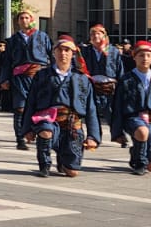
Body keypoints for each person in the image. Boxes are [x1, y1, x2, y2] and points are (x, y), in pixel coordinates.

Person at [22, 35, 100, 178]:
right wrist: (27, 129)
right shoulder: (42, 75)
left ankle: (64, 158)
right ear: (54, 52)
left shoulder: (82, 78)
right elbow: (30, 102)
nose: (63, 54)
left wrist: (93, 136)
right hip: (48, 119)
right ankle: (44, 164)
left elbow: (91, 108)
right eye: (59, 50)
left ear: (73, 53)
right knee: (46, 131)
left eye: (67, 50)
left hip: (72, 123)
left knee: (72, 173)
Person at [116, 41, 151, 175]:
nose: (145, 58)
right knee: (142, 131)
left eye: (148, 55)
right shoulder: (126, 79)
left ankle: (135, 150)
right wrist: (117, 132)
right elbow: (118, 106)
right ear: (134, 57)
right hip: (134, 118)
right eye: (141, 55)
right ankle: (138, 162)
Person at [0, 8, 52, 150]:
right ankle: (20, 139)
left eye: (27, 18)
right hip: (20, 78)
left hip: (39, 76)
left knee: (41, 107)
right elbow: (7, 62)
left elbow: (51, 55)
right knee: (20, 109)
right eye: (21, 18)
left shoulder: (42, 36)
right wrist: (4, 79)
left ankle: (41, 135)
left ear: (32, 20)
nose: (24, 20)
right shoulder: (12, 41)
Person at [81, 23, 124, 146]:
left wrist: (119, 86)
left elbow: (119, 70)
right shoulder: (85, 51)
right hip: (92, 86)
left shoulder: (113, 51)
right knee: (92, 112)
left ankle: (118, 135)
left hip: (109, 87)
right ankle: (94, 137)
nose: (95, 36)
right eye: (93, 34)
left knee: (112, 112)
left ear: (104, 35)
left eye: (98, 33)